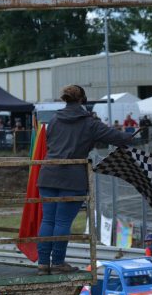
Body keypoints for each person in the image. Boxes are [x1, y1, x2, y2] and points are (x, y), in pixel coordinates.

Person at [37, 85, 135, 274]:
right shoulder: (89, 123)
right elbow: (116, 137)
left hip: (48, 173)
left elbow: (49, 142)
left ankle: (43, 263)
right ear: (83, 100)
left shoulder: (55, 119)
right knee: (62, 222)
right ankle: (57, 263)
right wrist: (132, 137)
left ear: (64, 99)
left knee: (48, 220)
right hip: (72, 178)